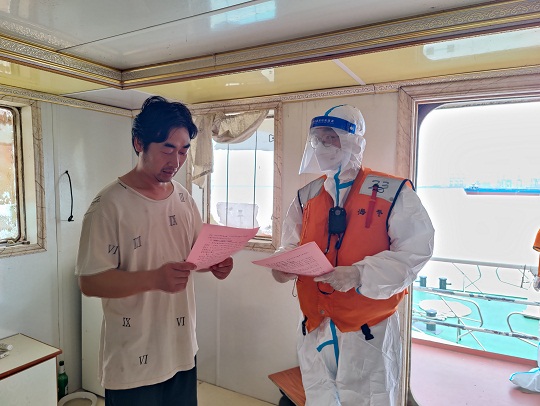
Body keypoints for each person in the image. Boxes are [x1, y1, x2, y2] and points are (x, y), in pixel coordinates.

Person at [272, 104, 435, 406]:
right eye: (318, 139)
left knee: (369, 399)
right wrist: (283, 265)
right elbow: (290, 244)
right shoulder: (306, 195)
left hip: (367, 332)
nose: (323, 146)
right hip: (315, 325)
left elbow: (415, 252)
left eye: (331, 138)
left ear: (353, 142)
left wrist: (360, 274)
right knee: (319, 397)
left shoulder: (393, 192)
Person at [76, 96, 233, 405]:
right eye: (167, 149)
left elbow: (194, 255)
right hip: (133, 360)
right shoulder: (108, 205)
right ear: (139, 143)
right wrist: (154, 279)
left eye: (184, 150)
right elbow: (89, 281)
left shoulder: (184, 198)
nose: (176, 161)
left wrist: (214, 264)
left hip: (181, 349)